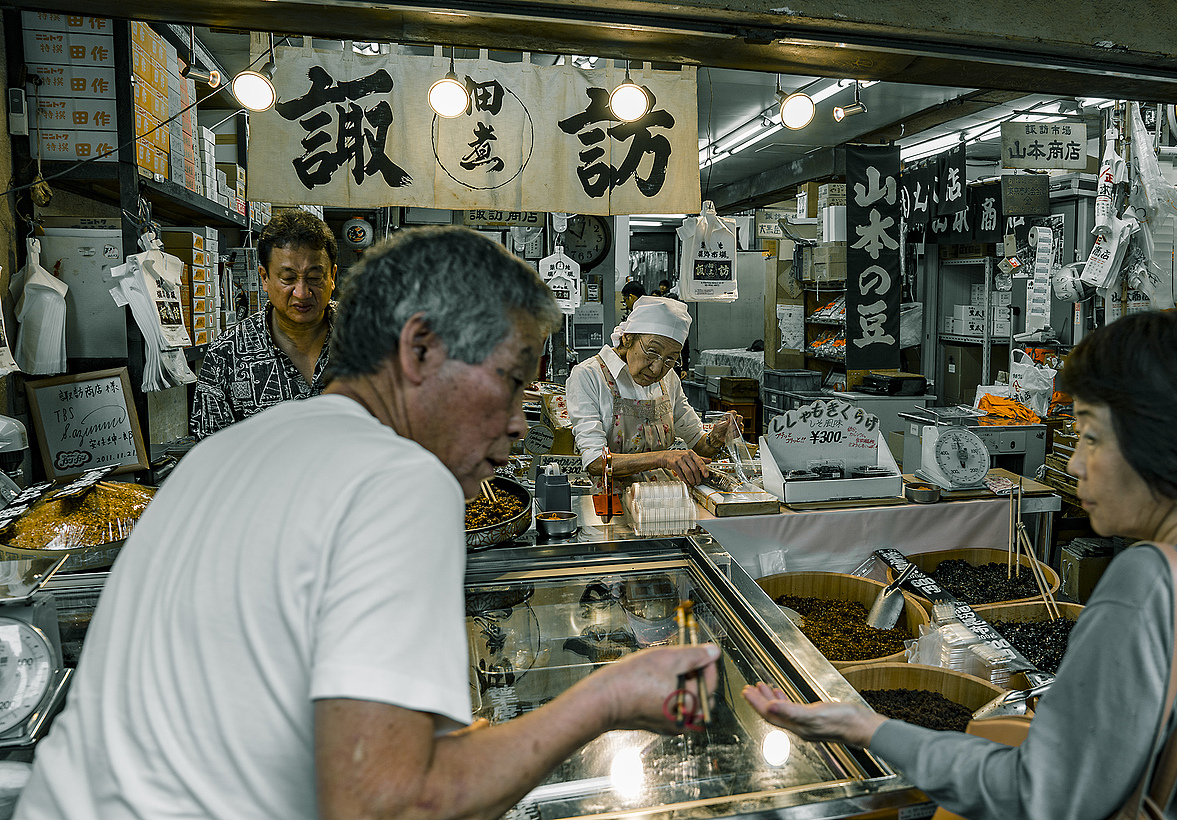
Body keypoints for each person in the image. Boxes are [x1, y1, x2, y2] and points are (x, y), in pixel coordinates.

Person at [15, 227, 719, 820]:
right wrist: (611, 696)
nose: (515, 426)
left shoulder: (229, 452)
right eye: (509, 380)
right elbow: (396, 804)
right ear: (418, 351)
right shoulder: (398, 478)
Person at [743, 309, 1177, 820]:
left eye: (1091, 436)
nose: (1073, 461)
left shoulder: (1154, 584)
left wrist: (868, 728)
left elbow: (1035, 794)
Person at [190, 209, 339, 439]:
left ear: (332, 277)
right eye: (288, 278)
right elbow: (211, 453)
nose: (301, 292)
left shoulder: (375, 339)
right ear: (264, 278)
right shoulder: (227, 354)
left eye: (314, 277)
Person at [566, 295, 738, 487]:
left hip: (662, 499)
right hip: (610, 505)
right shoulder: (589, 375)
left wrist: (715, 439)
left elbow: (698, 442)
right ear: (627, 338)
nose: (657, 369)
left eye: (670, 359)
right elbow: (595, 462)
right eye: (652, 352)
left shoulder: (669, 378)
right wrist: (662, 458)